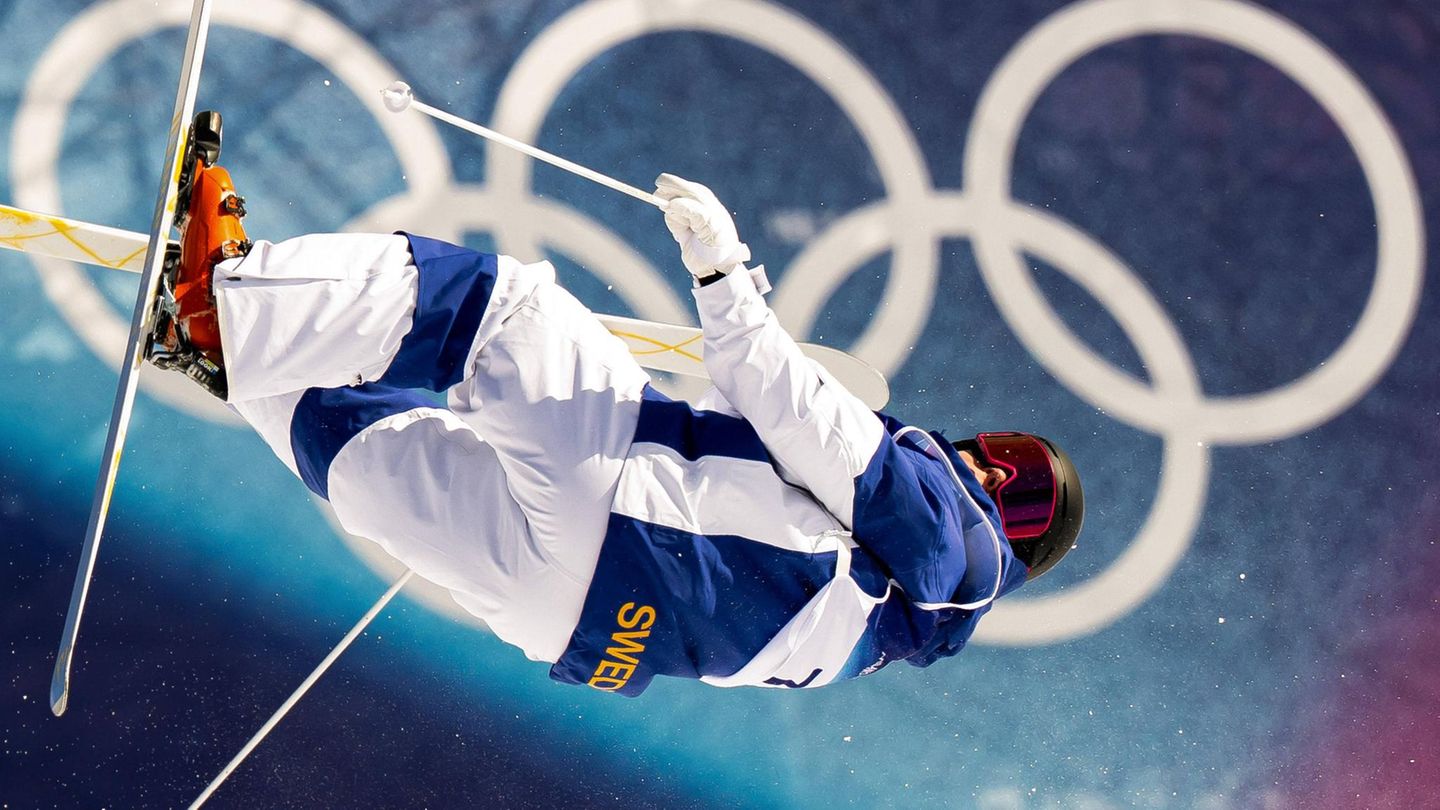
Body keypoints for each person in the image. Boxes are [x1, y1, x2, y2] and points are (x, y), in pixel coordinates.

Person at [154, 138, 1083, 696]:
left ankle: (228, 306)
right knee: (373, 459)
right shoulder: (884, 636)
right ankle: (233, 354)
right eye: (1009, 453)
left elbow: (789, 405)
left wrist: (725, 274)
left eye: (1023, 485)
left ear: (1014, 531)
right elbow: (761, 516)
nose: (994, 467)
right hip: (585, 632)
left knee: (499, 308)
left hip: (628, 510)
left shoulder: (946, 526)